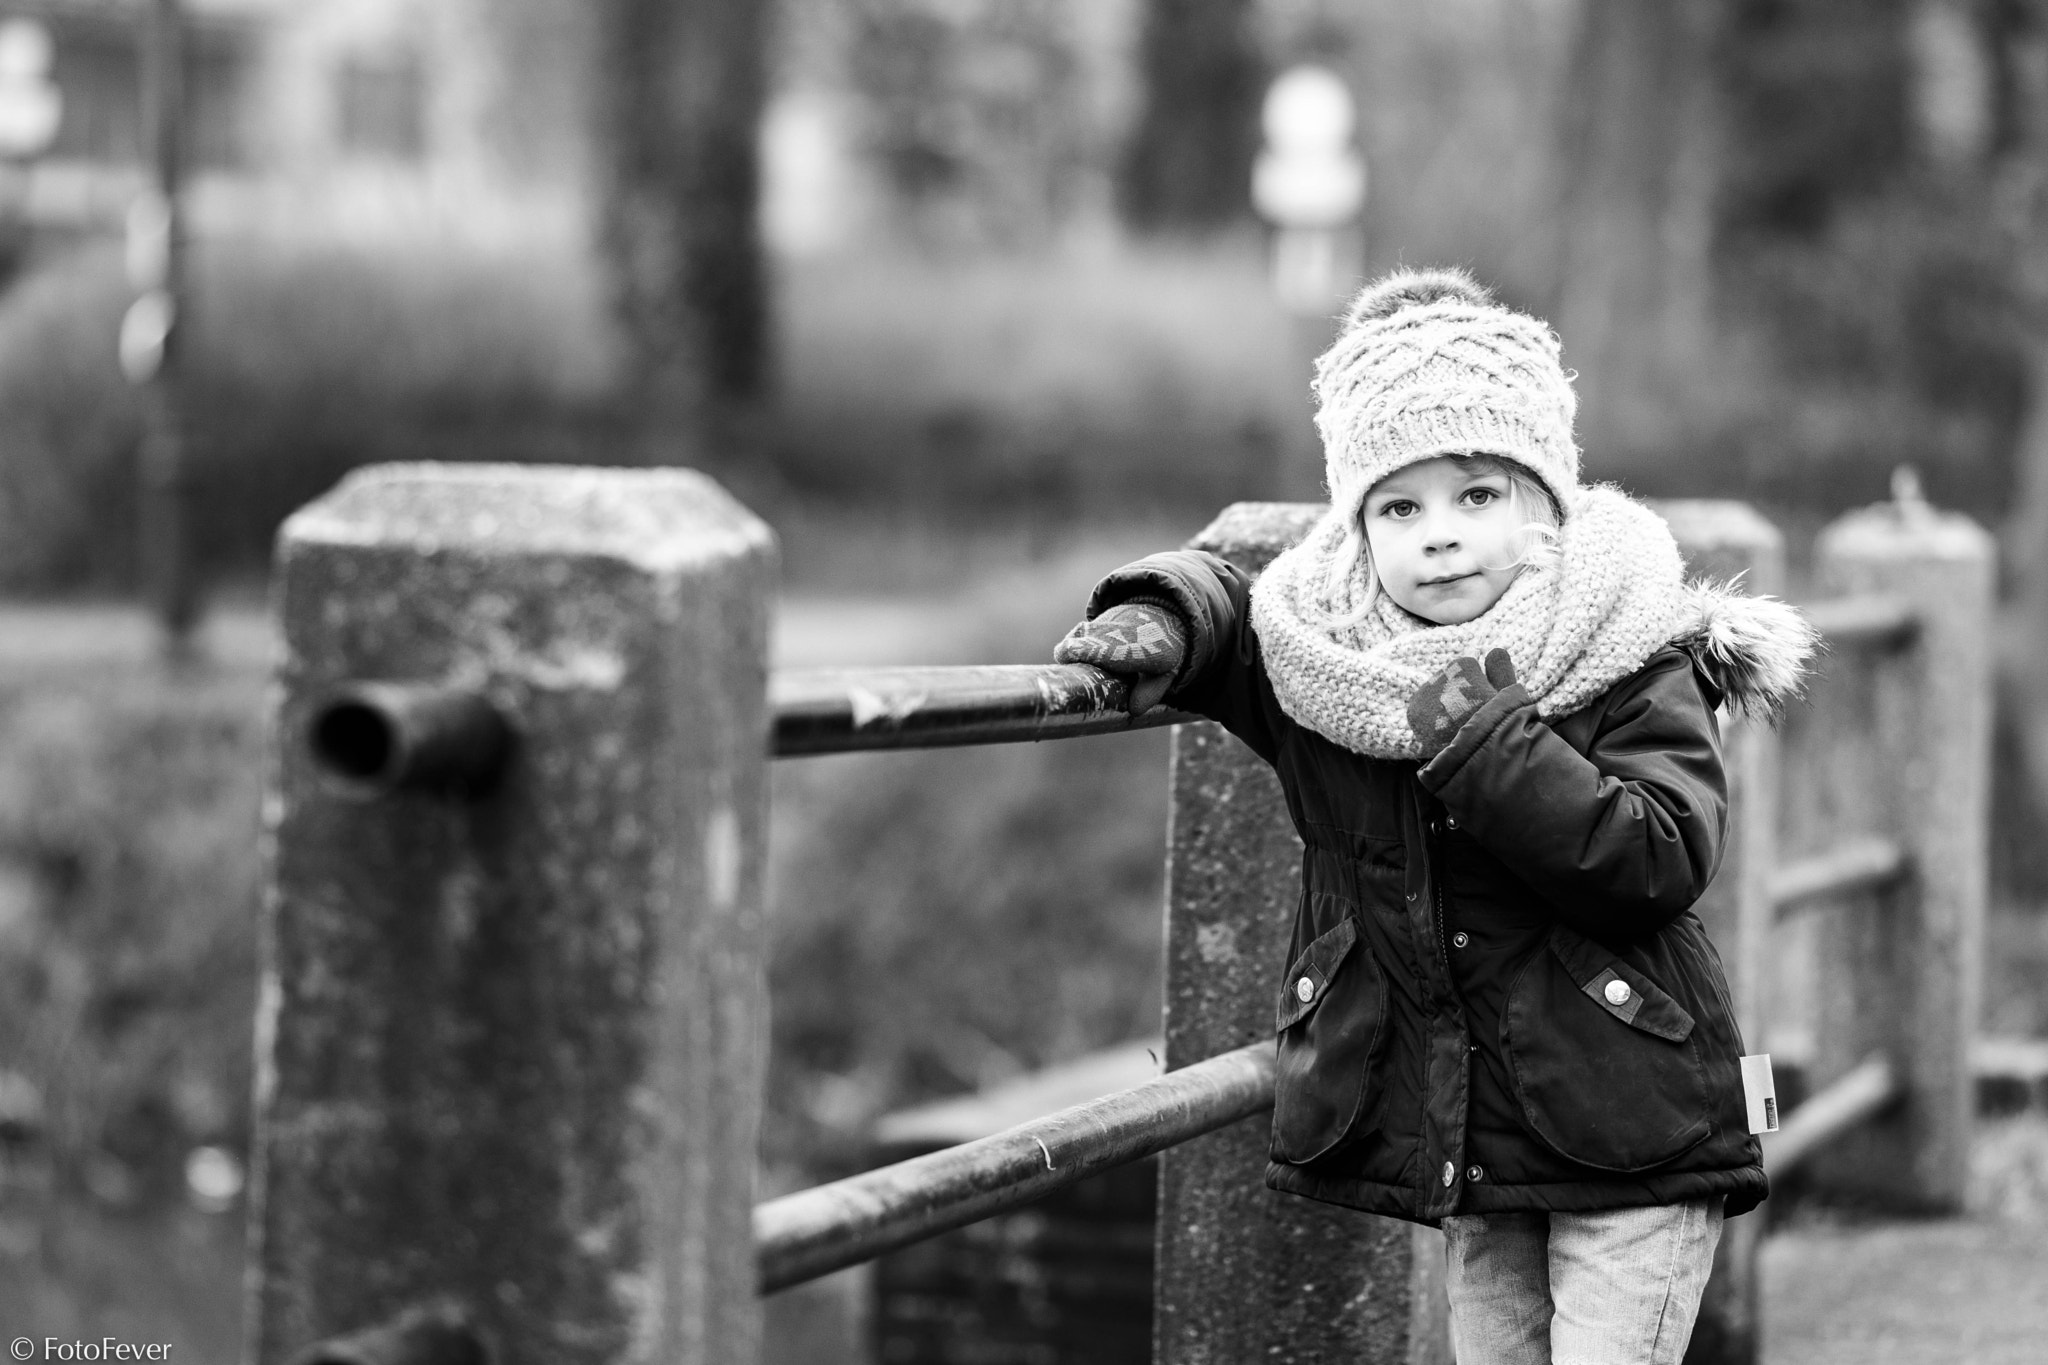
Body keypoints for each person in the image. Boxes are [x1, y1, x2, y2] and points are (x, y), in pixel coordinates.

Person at [1053, 267, 1817, 1365]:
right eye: (1398, 507)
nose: (1440, 536)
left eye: (1476, 496)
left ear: (1542, 502)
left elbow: (1658, 857)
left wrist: (1489, 743)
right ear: (1355, 527)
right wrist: (1160, 610)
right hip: (1468, 1137)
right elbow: (1231, 599)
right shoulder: (1333, 667)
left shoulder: (1627, 647)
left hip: (1636, 1123)